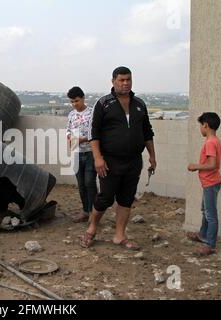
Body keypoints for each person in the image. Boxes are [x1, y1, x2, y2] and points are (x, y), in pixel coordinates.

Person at [80, 66, 156, 250]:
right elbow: (93, 133)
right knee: (105, 197)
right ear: (113, 81)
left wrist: (152, 156)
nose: (125, 83)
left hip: (133, 161)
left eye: (128, 79)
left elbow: (147, 132)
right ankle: (91, 229)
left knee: (126, 198)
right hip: (110, 161)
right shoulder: (104, 103)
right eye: (121, 80)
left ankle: (119, 236)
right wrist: (98, 158)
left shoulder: (139, 104)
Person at [187, 112, 221, 256]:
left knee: (210, 214)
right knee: (206, 209)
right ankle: (203, 234)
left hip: (211, 182)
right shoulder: (215, 140)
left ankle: (210, 244)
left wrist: (195, 166)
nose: (200, 128)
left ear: (206, 125)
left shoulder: (210, 143)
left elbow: (212, 164)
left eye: (201, 125)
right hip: (210, 182)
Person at [66, 87, 98, 223]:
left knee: (89, 182)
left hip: (91, 152)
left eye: (76, 101)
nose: (74, 104)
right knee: (81, 184)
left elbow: (96, 132)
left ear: (83, 98)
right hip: (77, 153)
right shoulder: (71, 115)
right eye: (72, 102)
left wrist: (83, 139)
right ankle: (85, 211)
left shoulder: (92, 113)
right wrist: (69, 138)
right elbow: (68, 130)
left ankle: (94, 213)